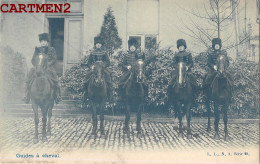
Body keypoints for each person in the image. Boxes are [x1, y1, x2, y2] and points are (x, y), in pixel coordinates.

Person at [23, 33, 62, 104]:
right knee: (29, 78)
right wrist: (37, 65)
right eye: (41, 41)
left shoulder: (51, 49)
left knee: (55, 80)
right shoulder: (37, 49)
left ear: (47, 42)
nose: (43, 42)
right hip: (38, 68)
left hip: (48, 68)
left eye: (44, 41)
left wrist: (47, 65)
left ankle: (57, 96)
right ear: (40, 42)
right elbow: (33, 59)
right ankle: (26, 95)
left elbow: (54, 59)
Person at [83, 36, 112, 101]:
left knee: (108, 76)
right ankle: (85, 93)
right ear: (95, 45)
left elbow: (108, 62)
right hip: (94, 69)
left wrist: (104, 65)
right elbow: (89, 62)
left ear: (101, 45)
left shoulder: (104, 52)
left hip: (102, 69)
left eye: (99, 44)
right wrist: (91, 66)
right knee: (87, 76)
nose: (98, 45)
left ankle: (110, 94)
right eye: (97, 44)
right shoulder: (92, 52)